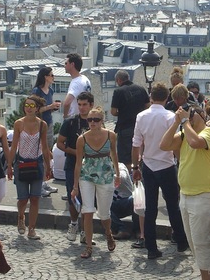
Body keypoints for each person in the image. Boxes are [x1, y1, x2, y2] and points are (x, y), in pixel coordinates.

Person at [160, 104, 210, 280]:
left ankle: (207, 277)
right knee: (194, 243)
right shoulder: (185, 133)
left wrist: (185, 121)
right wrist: (176, 123)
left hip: (205, 195)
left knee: (202, 242)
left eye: (192, 113)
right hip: (186, 195)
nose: (188, 116)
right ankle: (205, 275)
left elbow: (196, 143)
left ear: (202, 115)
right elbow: (164, 145)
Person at [131, 82, 188, 260]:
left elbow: (136, 144)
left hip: (148, 164)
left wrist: (135, 166)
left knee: (150, 209)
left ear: (151, 97)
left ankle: (151, 247)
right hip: (167, 164)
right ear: (167, 98)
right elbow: (177, 143)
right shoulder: (170, 116)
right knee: (173, 206)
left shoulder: (141, 116)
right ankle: (180, 240)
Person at [72, 106, 120, 258]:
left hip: (105, 175)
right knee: (87, 210)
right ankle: (88, 246)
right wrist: (75, 186)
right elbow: (78, 163)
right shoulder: (82, 139)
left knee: (104, 213)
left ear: (102, 120)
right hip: (87, 175)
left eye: (96, 119)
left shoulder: (111, 135)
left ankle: (108, 233)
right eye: (90, 120)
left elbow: (114, 155)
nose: (92, 122)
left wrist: (118, 174)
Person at [8, 95, 51, 240]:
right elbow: (14, 146)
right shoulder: (18, 124)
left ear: (37, 109)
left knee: (35, 198)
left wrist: (48, 166)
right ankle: (21, 217)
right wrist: (9, 165)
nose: (29, 108)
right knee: (22, 198)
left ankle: (32, 228)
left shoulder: (42, 125)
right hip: (21, 162)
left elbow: (45, 147)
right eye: (26, 105)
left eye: (32, 106)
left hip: (36, 162)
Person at [57, 91, 94, 243]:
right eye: (79, 104)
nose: (82, 108)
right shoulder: (70, 122)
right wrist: (76, 152)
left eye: (85, 104)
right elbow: (60, 143)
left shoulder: (96, 121)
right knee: (73, 197)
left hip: (91, 165)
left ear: (91, 105)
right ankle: (73, 223)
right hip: (72, 164)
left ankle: (85, 231)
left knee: (88, 199)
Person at [110, 70, 149, 168]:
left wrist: (123, 113)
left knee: (125, 158)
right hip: (141, 127)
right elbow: (148, 106)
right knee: (140, 153)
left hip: (125, 128)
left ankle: (128, 179)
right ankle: (139, 176)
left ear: (118, 80)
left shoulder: (118, 91)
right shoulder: (141, 89)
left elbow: (113, 111)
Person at [31, 67, 61, 197]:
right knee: (40, 154)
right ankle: (39, 185)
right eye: (51, 75)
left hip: (48, 123)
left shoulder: (51, 91)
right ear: (45, 77)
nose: (53, 77)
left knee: (47, 153)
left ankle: (44, 181)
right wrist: (50, 106)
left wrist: (52, 108)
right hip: (39, 125)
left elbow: (46, 109)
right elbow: (35, 109)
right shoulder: (37, 91)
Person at [110, 161, 144, 245]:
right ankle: (122, 229)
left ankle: (138, 230)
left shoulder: (120, 166)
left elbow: (123, 177)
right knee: (102, 207)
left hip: (126, 201)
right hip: (113, 205)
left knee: (135, 199)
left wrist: (108, 176)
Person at [62, 53, 91, 119]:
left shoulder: (76, 83)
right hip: (86, 116)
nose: (64, 66)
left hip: (75, 118)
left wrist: (65, 116)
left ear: (72, 64)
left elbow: (67, 103)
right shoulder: (85, 79)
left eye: (66, 63)